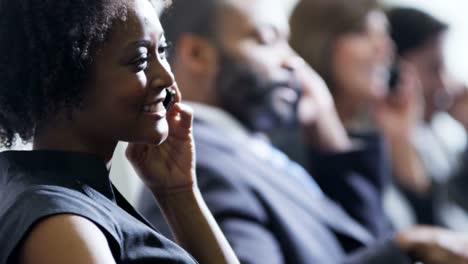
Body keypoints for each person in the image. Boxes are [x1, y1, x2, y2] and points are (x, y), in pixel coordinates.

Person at [137, 0, 468, 263]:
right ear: (198, 55)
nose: (293, 62)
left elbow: (355, 241)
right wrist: (405, 248)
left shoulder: (249, 147)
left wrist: (331, 137)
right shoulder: (195, 166)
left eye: (288, 42)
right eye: (268, 40)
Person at [0, 0, 240, 263]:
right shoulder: (64, 225)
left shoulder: (55, 194)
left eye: (162, 51)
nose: (167, 77)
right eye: (140, 60)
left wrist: (178, 191)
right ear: (67, 76)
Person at [388, 7, 468, 227]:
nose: (445, 84)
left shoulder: (439, 133)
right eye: (434, 69)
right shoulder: (382, 144)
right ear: (394, 72)